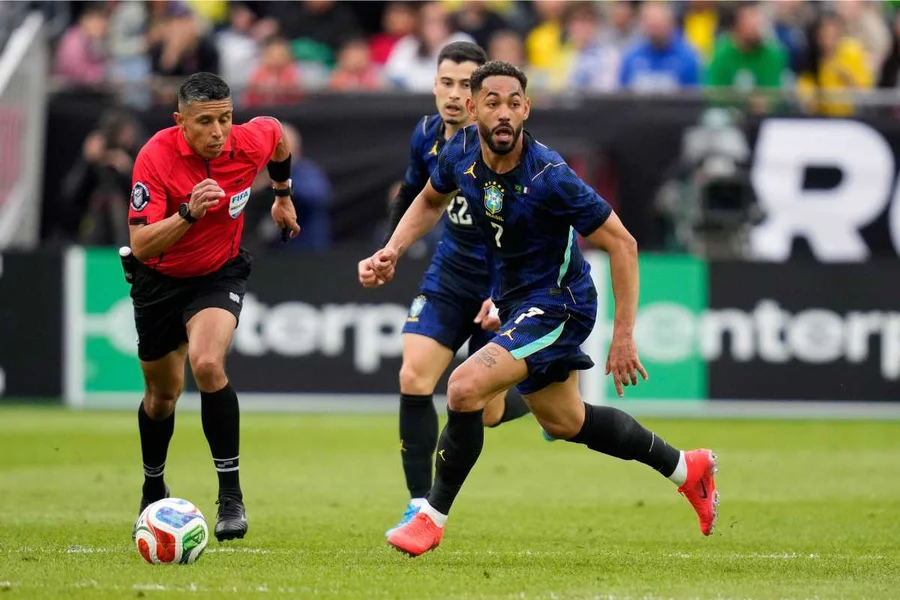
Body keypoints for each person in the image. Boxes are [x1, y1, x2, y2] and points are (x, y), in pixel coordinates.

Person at [359, 60, 719, 557]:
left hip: (559, 304)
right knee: (564, 421)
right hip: (516, 302)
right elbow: (428, 200)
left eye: (513, 103)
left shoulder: (551, 175)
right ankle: (688, 468)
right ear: (473, 108)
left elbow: (623, 244)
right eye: (492, 103)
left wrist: (623, 334)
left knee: (464, 387)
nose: (503, 113)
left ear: (526, 108)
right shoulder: (460, 151)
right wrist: (392, 251)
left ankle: (430, 516)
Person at [363, 42, 531, 539]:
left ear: (484, 94)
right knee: (414, 374)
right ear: (434, 85)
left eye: (466, 85)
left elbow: (535, 228)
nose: (455, 96)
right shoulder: (427, 135)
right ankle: (419, 507)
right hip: (450, 273)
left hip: (498, 285)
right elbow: (413, 194)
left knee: (490, 409)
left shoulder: (509, 146)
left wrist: (507, 291)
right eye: (446, 83)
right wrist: (389, 251)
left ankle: (538, 398)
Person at [126, 72, 300, 542]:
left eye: (225, 118)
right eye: (205, 122)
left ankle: (230, 497)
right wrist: (187, 213)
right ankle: (152, 484)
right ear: (180, 121)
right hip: (158, 281)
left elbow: (278, 137)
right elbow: (140, 244)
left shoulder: (249, 140)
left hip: (218, 274)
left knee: (206, 363)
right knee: (162, 398)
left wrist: (282, 197)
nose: (219, 131)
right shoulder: (155, 157)